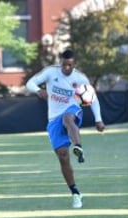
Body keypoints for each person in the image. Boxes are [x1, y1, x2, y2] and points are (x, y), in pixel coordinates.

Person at [26, 49, 105, 208]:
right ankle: (75, 193)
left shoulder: (80, 79)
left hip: (72, 111)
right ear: (60, 62)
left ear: (74, 64)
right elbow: (30, 83)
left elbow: (93, 98)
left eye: (70, 65)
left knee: (68, 118)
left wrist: (98, 119)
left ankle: (78, 147)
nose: (66, 68)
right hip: (53, 119)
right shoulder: (50, 72)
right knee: (63, 156)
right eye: (64, 64)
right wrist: (38, 90)